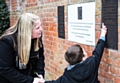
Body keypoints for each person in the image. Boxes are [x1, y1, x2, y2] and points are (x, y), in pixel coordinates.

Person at [39, 23, 107, 83]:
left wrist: (44, 82)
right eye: (84, 52)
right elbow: (98, 50)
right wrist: (103, 34)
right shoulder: (92, 63)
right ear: (82, 58)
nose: (86, 53)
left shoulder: (67, 75)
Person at [0, 13, 45, 83]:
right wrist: (30, 80)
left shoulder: (37, 39)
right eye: (37, 28)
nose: (41, 29)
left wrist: (39, 74)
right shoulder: (8, 42)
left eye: (40, 26)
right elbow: (5, 69)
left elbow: (40, 58)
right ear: (27, 30)